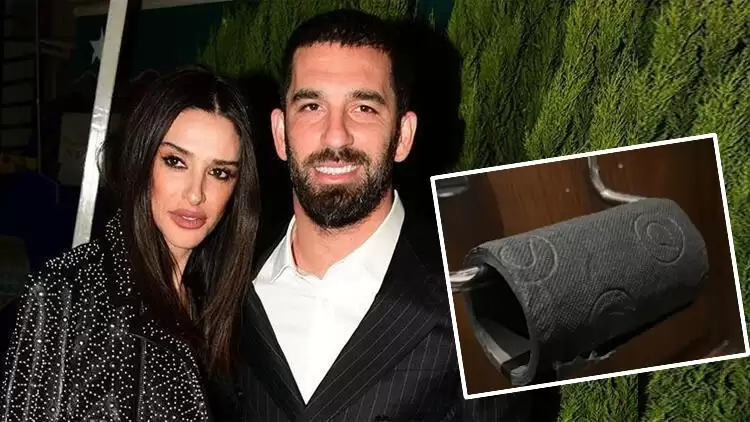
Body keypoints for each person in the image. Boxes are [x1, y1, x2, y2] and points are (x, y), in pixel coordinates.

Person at [220, 9, 558, 422]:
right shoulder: (226, 286)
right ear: (279, 132)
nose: (335, 135)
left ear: (403, 136)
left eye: (363, 107)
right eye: (311, 106)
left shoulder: (482, 304)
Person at [0, 65, 261, 421]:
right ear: (142, 160)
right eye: (175, 162)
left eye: (219, 172)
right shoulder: (67, 292)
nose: (196, 194)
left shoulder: (221, 302)